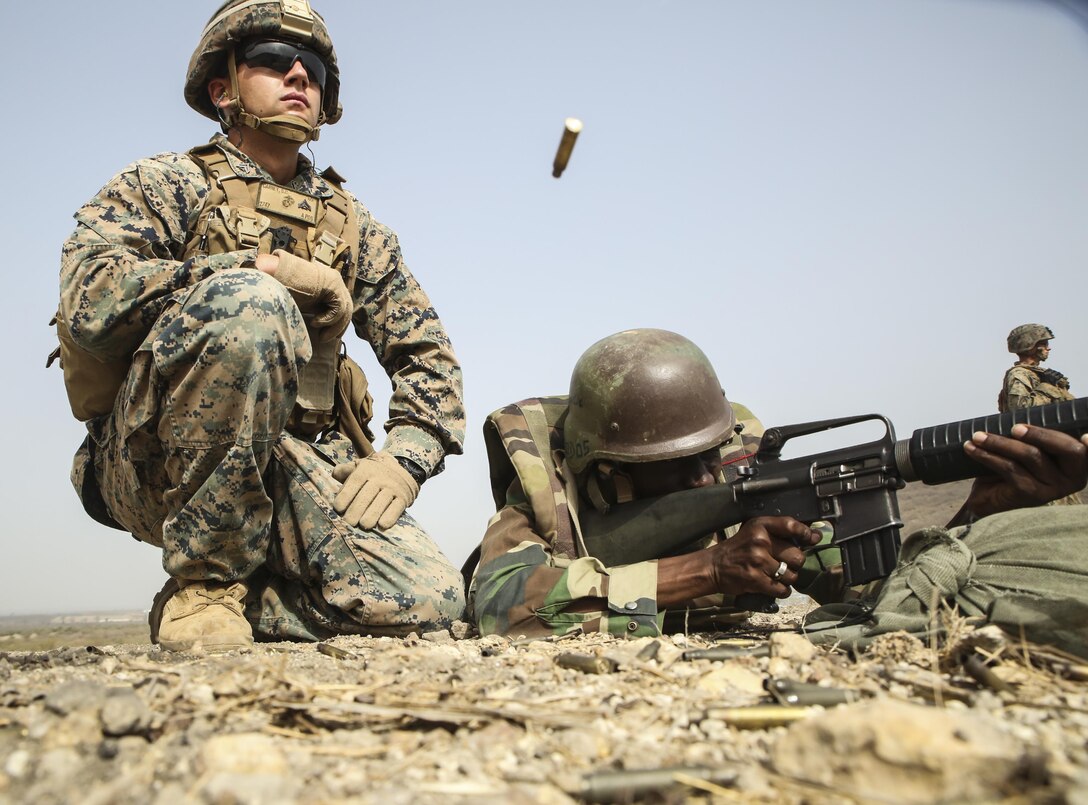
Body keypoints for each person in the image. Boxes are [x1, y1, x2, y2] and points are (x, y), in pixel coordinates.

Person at [53, 0, 466, 652]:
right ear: (223, 88)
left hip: (289, 460)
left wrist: (403, 461)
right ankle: (204, 589)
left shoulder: (354, 226)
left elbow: (428, 359)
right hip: (151, 458)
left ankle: (251, 599)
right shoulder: (163, 185)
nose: (300, 75)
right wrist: (256, 266)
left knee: (430, 601)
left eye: (317, 70)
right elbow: (88, 303)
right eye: (275, 60)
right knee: (253, 299)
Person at [467, 328, 825, 638]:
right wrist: (709, 570)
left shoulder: (742, 462)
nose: (703, 477)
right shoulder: (547, 491)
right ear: (611, 468)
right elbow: (500, 604)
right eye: (674, 463)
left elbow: (835, 559)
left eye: (710, 452)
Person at [997, 323, 1080, 505]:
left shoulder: (1038, 374)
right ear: (1030, 345)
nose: (1048, 348)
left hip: (1054, 461)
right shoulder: (1019, 375)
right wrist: (1047, 388)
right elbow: (1020, 413)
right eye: (1043, 343)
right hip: (1038, 465)